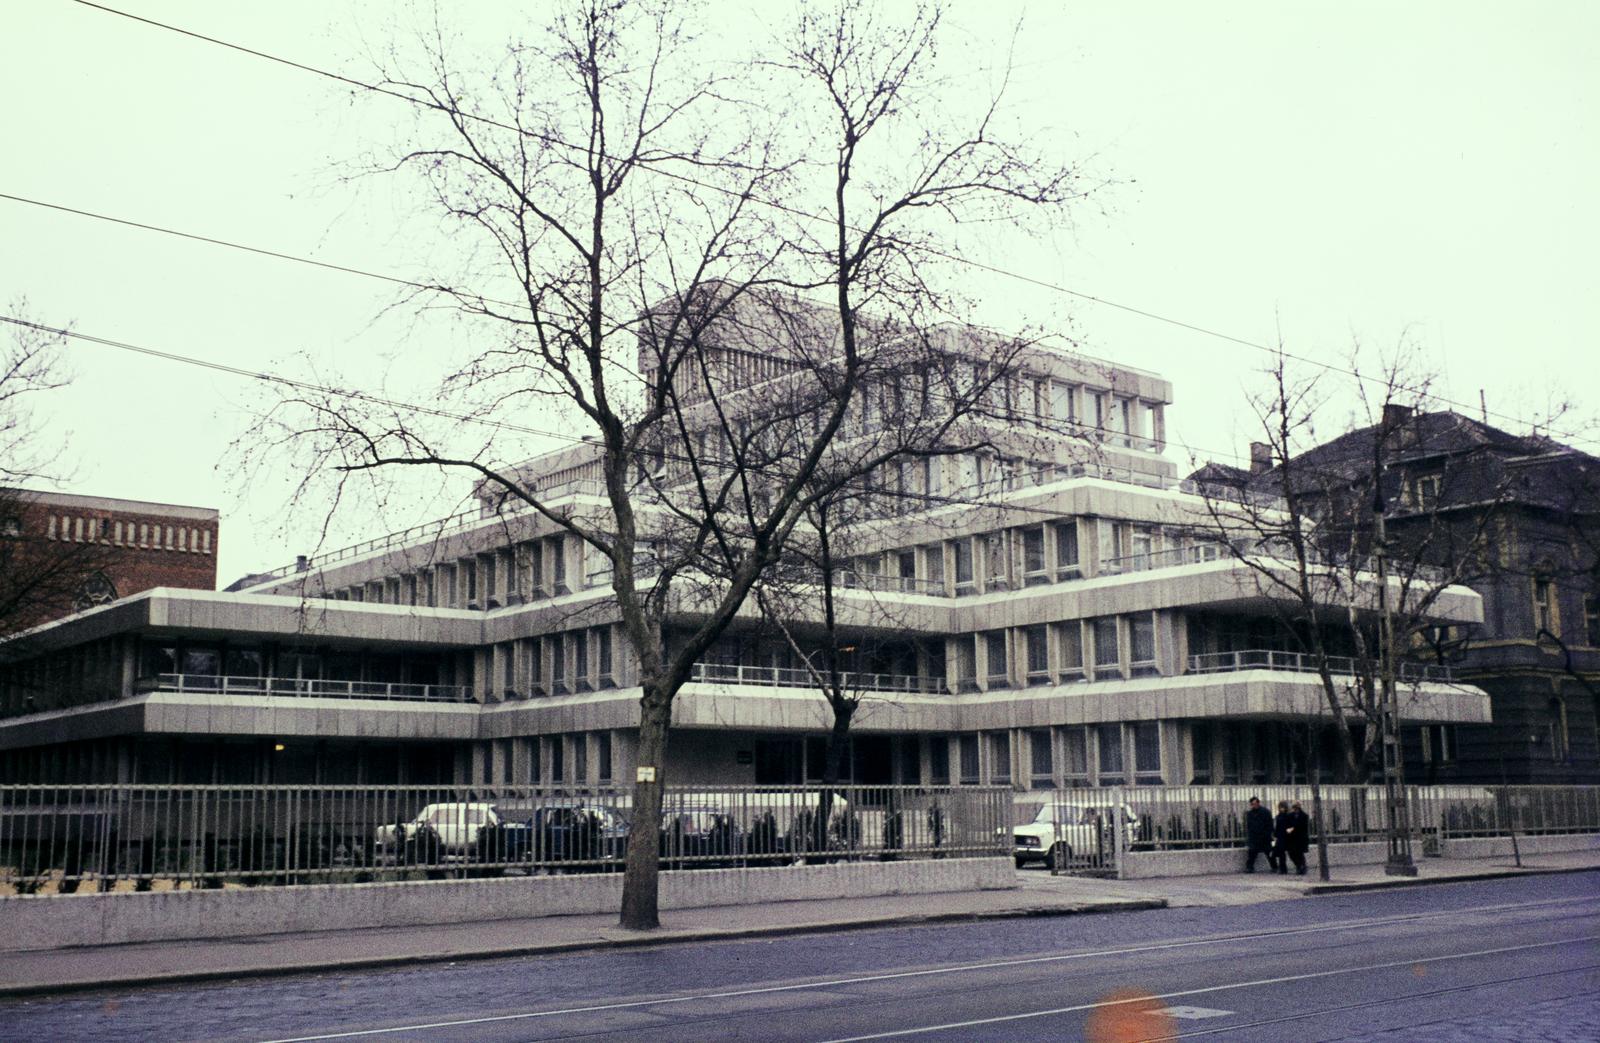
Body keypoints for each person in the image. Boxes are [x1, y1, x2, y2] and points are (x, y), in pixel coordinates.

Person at [1244, 796, 1274, 872]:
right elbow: (1249, 825)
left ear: (1258, 803)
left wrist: (1268, 833)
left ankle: (1274, 867)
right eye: (1252, 804)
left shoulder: (1265, 812)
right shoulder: (1250, 813)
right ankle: (1249, 867)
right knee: (1252, 852)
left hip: (1265, 836)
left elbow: (1270, 824)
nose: (1253, 805)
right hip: (1255, 837)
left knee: (1269, 852)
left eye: (1254, 804)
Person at [1285, 801, 1311, 875]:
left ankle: (1301, 867)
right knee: (1292, 853)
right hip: (1292, 838)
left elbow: (1302, 826)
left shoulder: (1304, 816)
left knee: (1299, 853)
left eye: (1296, 808)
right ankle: (1299, 866)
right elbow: (1287, 824)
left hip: (1300, 838)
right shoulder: (1290, 815)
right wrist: (1288, 829)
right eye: (1294, 808)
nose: (1295, 809)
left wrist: (1293, 828)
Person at [1272, 801, 1293, 874]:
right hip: (1281, 836)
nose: (1281, 809)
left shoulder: (1288, 816)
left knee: (1289, 853)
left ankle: (1284, 868)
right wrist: (1275, 835)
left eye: (1282, 807)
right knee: (1280, 853)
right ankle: (1282, 868)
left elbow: (1291, 826)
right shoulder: (1278, 816)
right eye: (1280, 807)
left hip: (1286, 836)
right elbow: (1277, 827)